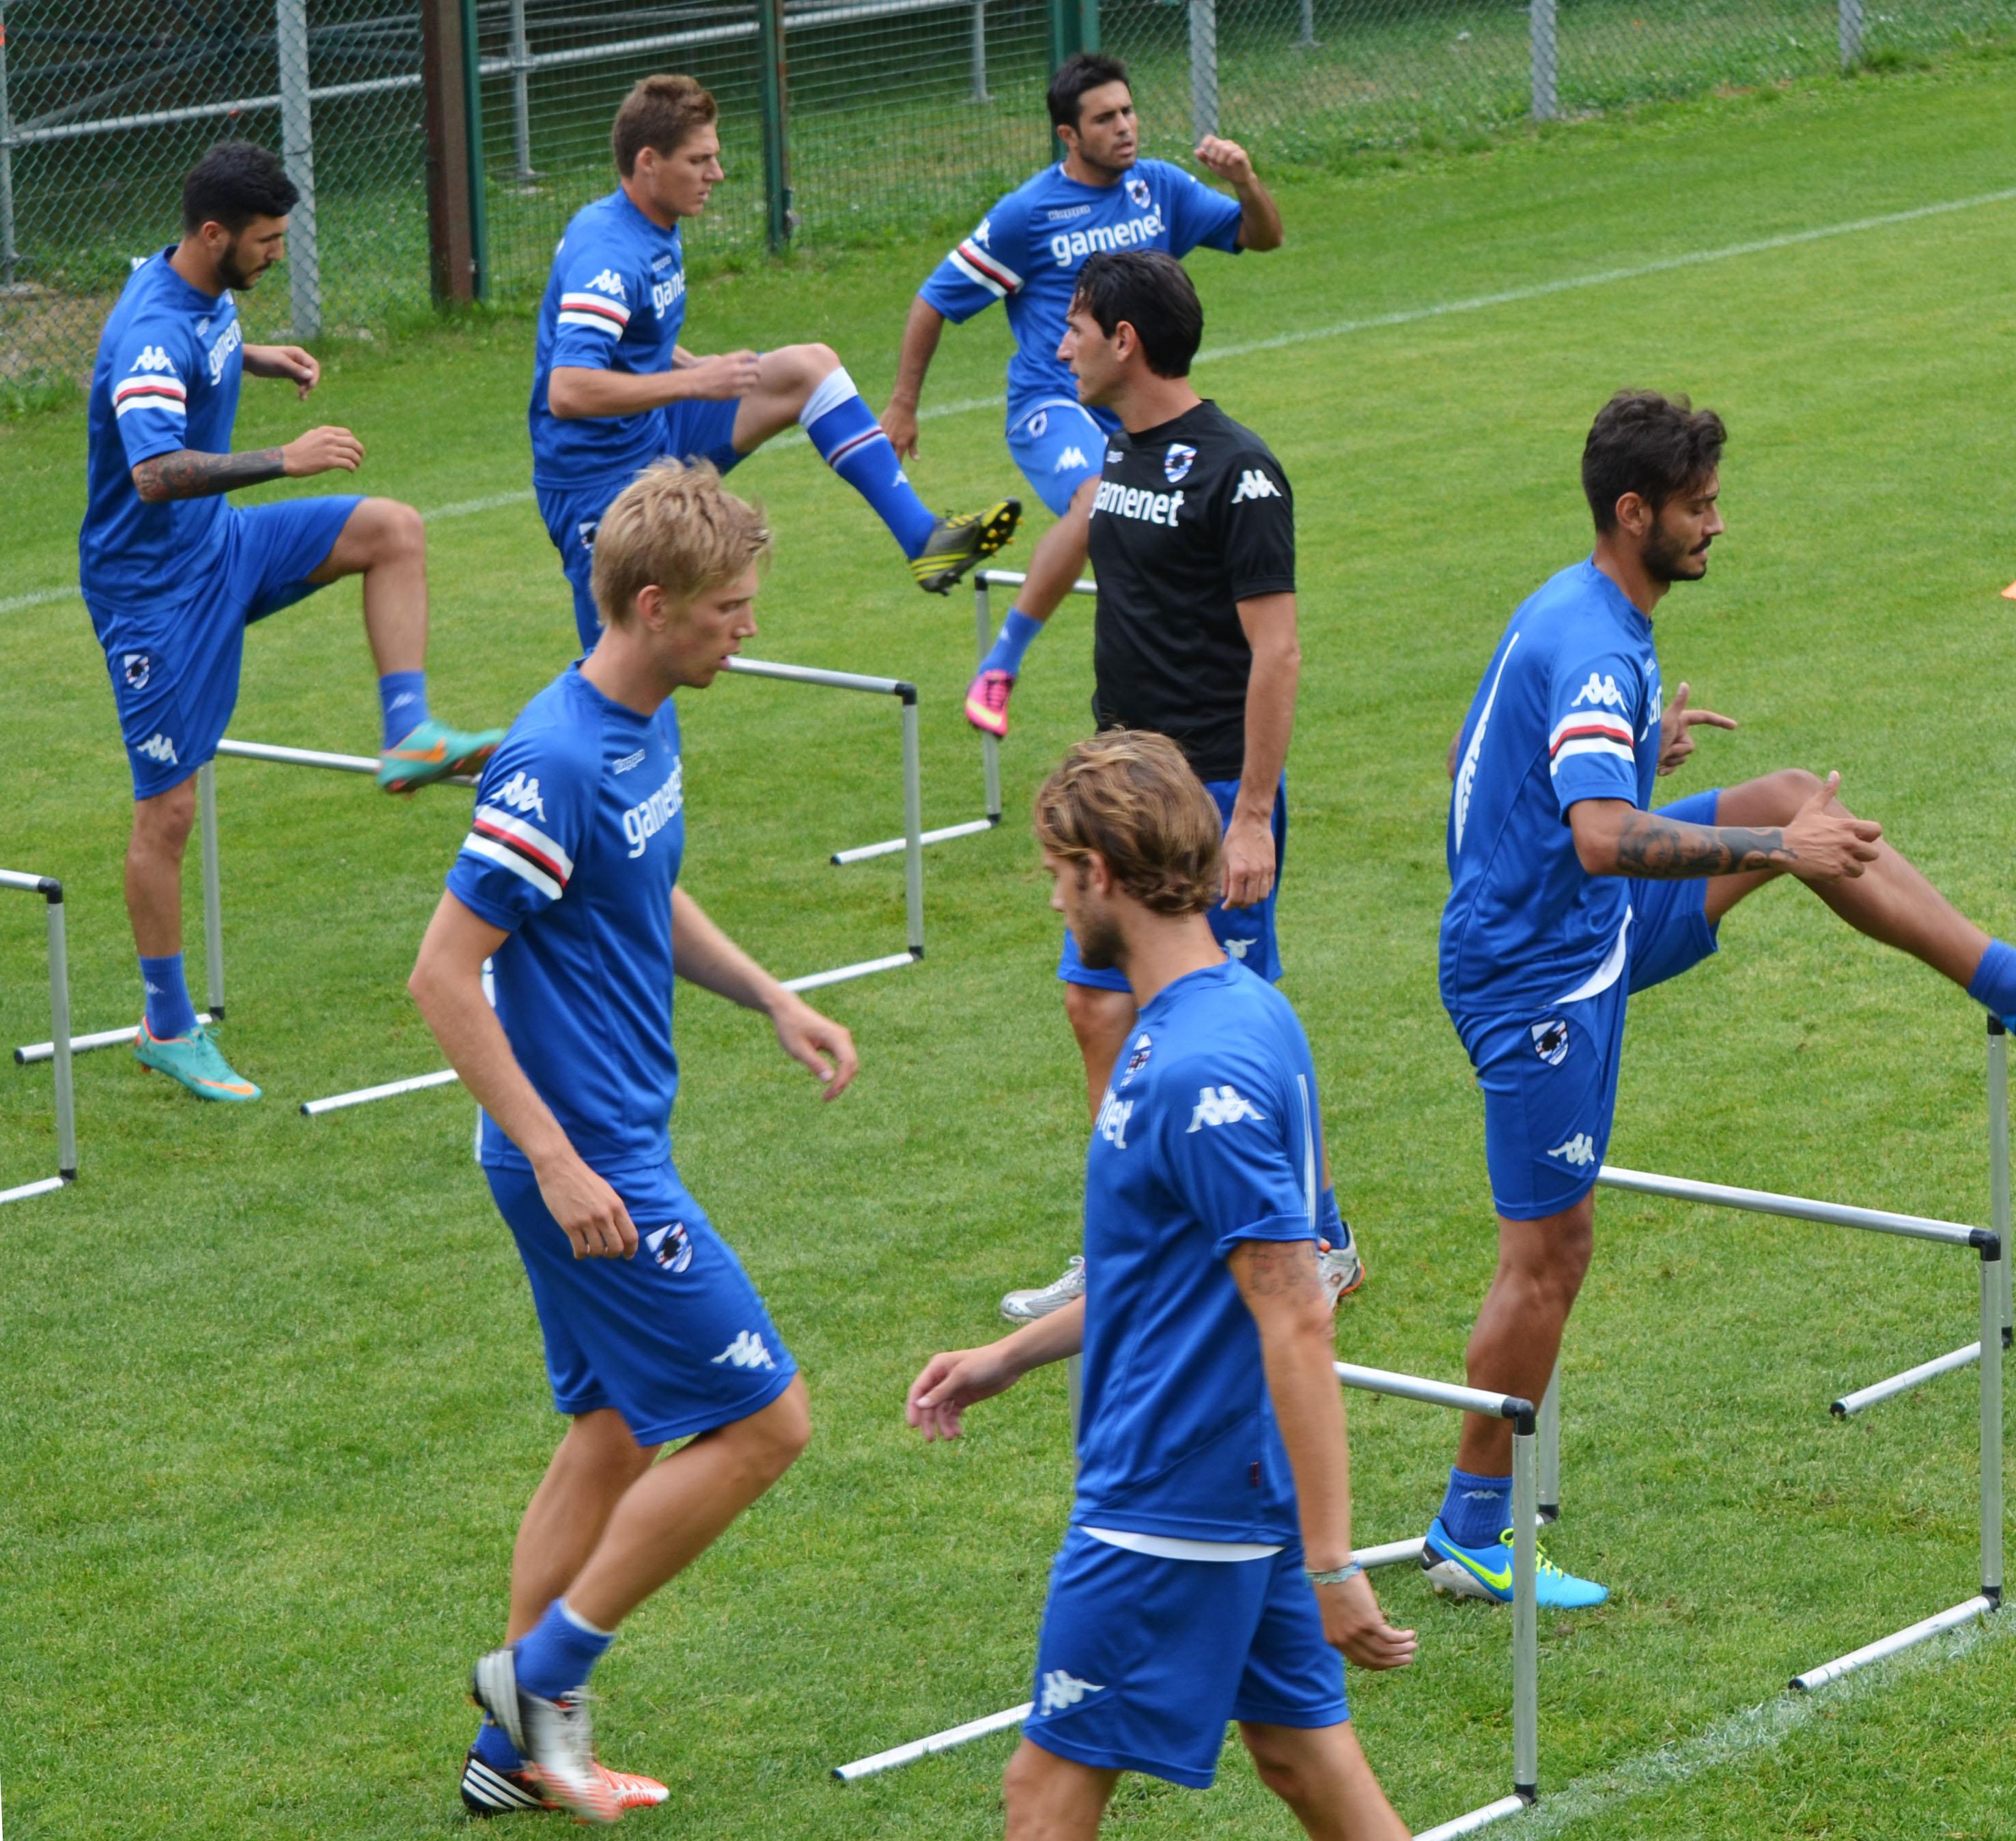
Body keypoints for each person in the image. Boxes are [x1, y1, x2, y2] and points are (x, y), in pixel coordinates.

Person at [1421, 390, 2016, 1607]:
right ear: (1633, 511)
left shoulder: (1583, 608)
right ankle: (1469, 1530)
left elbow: (1474, 763)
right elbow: (1599, 840)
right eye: (1699, 508)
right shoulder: (1595, 641)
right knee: (1550, 1254)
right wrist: (1766, 859)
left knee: (1787, 794)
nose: (1718, 526)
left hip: (1575, 930)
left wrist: (1649, 764)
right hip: (1536, 975)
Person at [410, 460, 859, 1823]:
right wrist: (560, 1161)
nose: (751, 627)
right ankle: (541, 1682)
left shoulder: (643, 722)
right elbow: (441, 974)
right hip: (590, 1163)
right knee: (764, 1420)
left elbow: (642, 893)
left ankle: (513, 1762)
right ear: (654, 605)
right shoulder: (549, 759)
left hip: (597, 1148)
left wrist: (770, 994)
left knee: (609, 1428)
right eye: (729, 607)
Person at [906, 732, 1415, 1841]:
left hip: (1169, 1493)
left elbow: (1296, 1310)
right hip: (1231, 1479)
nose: (1051, 900)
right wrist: (1010, 1356)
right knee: (1306, 1767)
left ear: (1101, 873)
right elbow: (1176, 1274)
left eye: (1054, 873)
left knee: (1042, 1799)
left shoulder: (1200, 1070)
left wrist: (1335, 1564)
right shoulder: (1223, 1016)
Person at [83, 141, 504, 1105]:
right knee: (170, 811)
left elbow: (200, 339)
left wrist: (258, 357)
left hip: (218, 548)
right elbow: (152, 475)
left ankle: (411, 737)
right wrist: (286, 456)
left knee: (390, 531)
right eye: (267, 242)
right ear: (215, 233)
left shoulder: (189, 276)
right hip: (151, 592)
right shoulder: (154, 331)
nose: (277, 255)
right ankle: (166, 1023)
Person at [991, 249, 1358, 1325]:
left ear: (1125, 342)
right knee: (1094, 1005)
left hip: (1202, 796)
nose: (1058, 342)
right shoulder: (1121, 451)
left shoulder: (1238, 472)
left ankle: (1321, 1239)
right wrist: (1008, 648)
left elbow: (1276, 653)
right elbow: (1073, 540)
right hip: (1124, 784)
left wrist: (1248, 816)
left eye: (1073, 323)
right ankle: (1129, 1243)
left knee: (1232, 1016)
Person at [532, 74, 1018, 651]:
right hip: (597, 483)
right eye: (700, 160)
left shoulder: (654, 225)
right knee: (625, 672)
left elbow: (630, 341)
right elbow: (568, 389)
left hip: (653, 434)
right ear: (648, 162)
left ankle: (923, 540)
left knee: (807, 368)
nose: (717, 174)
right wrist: (694, 380)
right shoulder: (608, 253)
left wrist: (686, 364)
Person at [878, 53, 1282, 740]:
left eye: (1128, 111)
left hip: (1139, 410)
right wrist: (903, 406)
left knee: (1175, 533)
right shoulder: (1025, 215)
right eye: (1105, 118)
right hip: (1052, 403)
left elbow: (1261, 237)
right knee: (1099, 501)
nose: (1125, 127)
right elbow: (932, 301)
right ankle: (998, 667)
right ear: (1070, 135)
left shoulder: (1160, 188)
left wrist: (1245, 181)